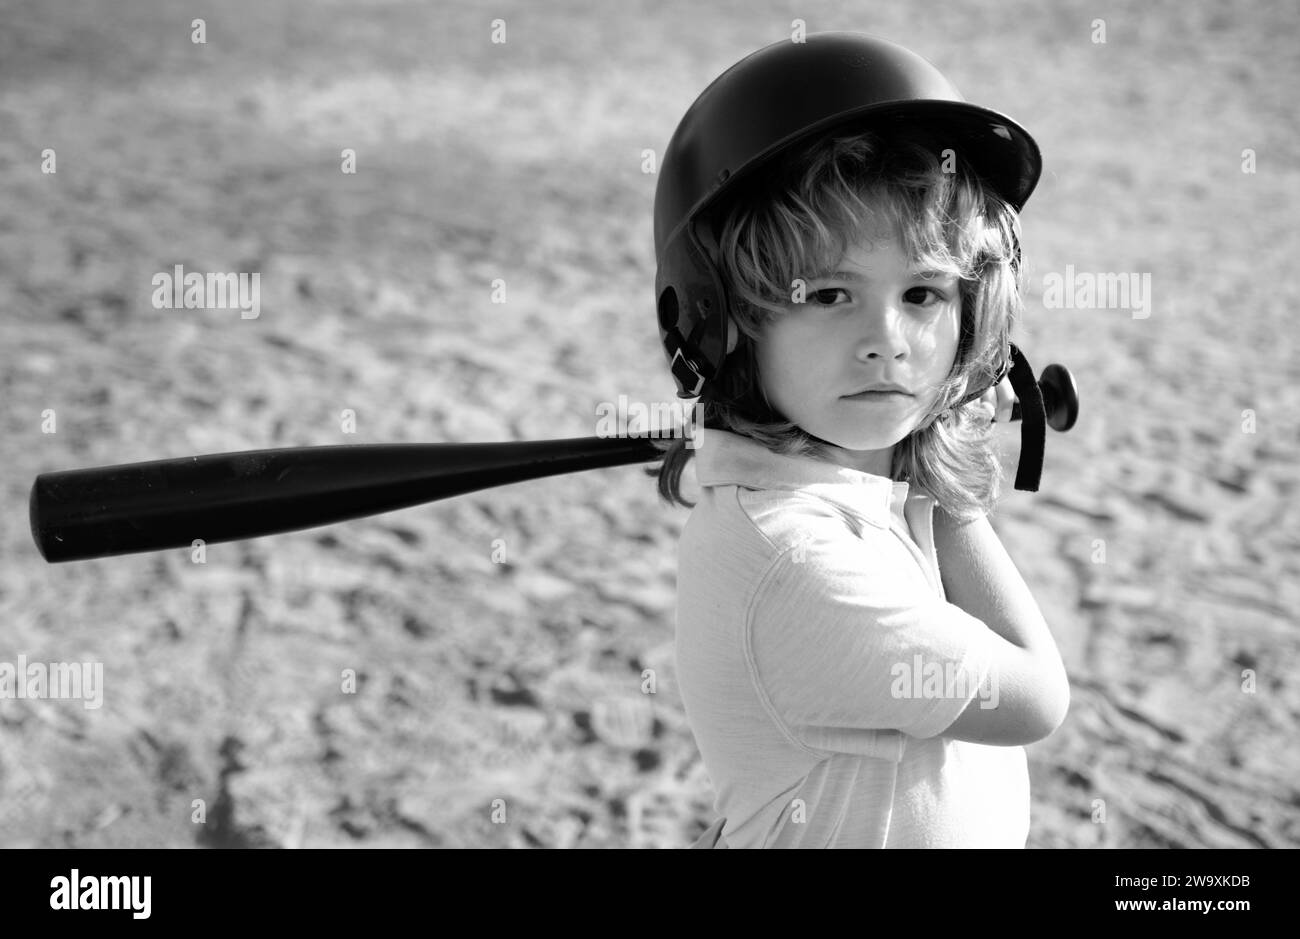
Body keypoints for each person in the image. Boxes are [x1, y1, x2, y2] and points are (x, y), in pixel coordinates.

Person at [647, 32, 1071, 848]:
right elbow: (1036, 697)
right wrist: (946, 467)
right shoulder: (791, 560)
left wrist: (925, 446)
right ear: (719, 321)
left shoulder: (849, 492)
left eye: (922, 291)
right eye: (831, 292)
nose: (888, 341)